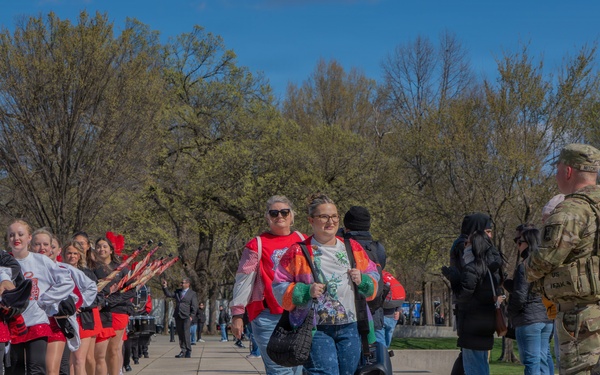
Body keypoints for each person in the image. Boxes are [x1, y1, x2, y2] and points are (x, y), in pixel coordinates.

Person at [272, 193, 380, 375]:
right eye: (324, 216)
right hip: (315, 329)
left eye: (334, 216)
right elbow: (278, 286)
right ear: (311, 220)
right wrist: (306, 291)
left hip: (351, 326)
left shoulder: (353, 248)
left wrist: (364, 280)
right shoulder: (297, 251)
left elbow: (374, 278)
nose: (330, 221)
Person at [525, 143, 600, 375]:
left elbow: (541, 262)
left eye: (557, 168)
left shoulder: (571, 211)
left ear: (568, 171)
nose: (556, 174)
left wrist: (528, 269)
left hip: (582, 321)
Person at [230, 195, 307, 375]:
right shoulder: (256, 244)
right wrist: (237, 314)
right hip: (267, 316)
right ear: (268, 217)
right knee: (279, 369)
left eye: (284, 212)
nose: (279, 216)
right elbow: (243, 280)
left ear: (292, 216)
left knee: (299, 369)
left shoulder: (304, 241)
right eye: (274, 213)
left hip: (301, 314)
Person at [7, 220, 74, 375]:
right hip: (13, 324)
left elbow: (66, 281)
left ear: (29, 238)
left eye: (20, 234)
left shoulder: (40, 260)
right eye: (12, 235)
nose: (16, 238)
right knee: (15, 369)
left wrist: (46, 300)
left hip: (37, 322)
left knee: (37, 369)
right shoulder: (5, 263)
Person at [447, 212, 503, 375]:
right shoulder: (465, 248)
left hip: (475, 316)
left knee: (473, 361)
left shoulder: (479, 259)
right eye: (487, 232)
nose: (490, 236)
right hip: (473, 313)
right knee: (472, 359)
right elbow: (468, 286)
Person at [504, 228, 554, 375]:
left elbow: (520, 295)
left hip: (529, 319)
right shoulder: (547, 265)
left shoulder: (525, 266)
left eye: (520, 242)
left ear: (529, 243)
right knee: (542, 360)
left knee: (531, 362)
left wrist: (510, 314)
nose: (517, 245)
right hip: (546, 319)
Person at [341, 206, 388, 346]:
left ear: (347, 225)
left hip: (349, 310)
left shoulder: (341, 245)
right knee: (377, 349)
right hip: (375, 309)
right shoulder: (377, 248)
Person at [93, 237, 135, 375]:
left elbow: (131, 291)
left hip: (119, 311)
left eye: (105, 246)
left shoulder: (122, 269)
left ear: (111, 250)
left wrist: (110, 301)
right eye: (98, 246)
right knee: (100, 352)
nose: (101, 249)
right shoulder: (92, 269)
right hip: (99, 312)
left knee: (113, 349)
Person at [62, 240, 103, 375]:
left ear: (80, 255)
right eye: (69, 253)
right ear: (64, 254)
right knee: (67, 362)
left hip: (83, 319)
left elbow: (98, 297)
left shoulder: (88, 273)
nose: (72, 256)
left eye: (75, 253)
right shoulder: (57, 270)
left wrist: (80, 305)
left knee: (79, 360)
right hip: (64, 319)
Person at [161, 278, 198, 358]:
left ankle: (188, 350)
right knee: (180, 334)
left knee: (186, 333)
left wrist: (192, 316)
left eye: (183, 283)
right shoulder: (178, 292)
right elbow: (169, 294)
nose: (181, 284)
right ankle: (183, 350)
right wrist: (165, 286)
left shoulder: (192, 293)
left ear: (188, 284)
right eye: (181, 282)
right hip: (178, 315)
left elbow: (194, 306)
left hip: (186, 316)